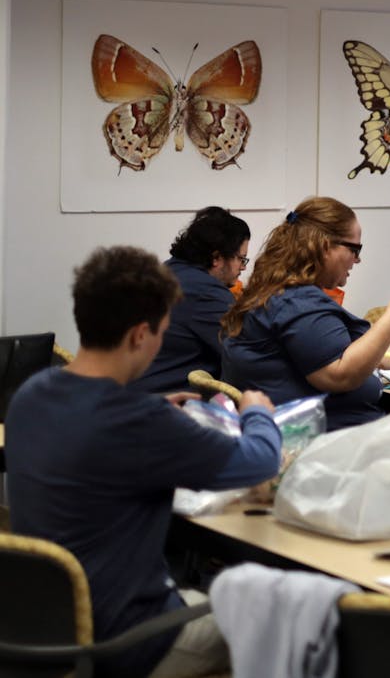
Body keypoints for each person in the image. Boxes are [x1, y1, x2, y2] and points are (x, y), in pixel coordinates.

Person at [6, 245, 283, 678]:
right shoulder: (141, 422)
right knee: (284, 625)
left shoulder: (31, 394)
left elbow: (97, 419)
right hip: (128, 642)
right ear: (139, 335)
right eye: (162, 334)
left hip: (40, 630)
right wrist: (257, 412)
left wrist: (153, 407)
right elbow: (260, 461)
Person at [221, 196, 390, 431]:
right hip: (325, 445)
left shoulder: (275, 293)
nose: (357, 259)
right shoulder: (298, 302)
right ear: (326, 247)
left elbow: (310, 353)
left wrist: (382, 361)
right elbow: (339, 375)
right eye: (354, 249)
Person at [134, 206, 251, 393]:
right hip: (166, 401)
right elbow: (245, 355)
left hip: (136, 391)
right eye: (241, 259)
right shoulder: (206, 292)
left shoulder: (168, 271)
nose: (243, 268)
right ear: (217, 257)